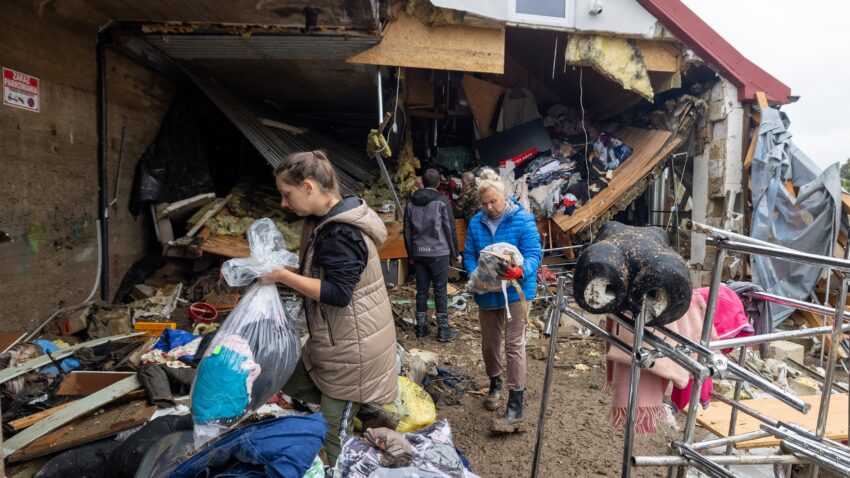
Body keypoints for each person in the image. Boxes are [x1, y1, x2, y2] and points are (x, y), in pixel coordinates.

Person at [260, 150, 398, 466]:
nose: (284, 203)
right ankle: (363, 410)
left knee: (333, 434)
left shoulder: (340, 232)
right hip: (338, 341)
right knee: (287, 378)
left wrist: (282, 276)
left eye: (287, 194)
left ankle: (344, 465)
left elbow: (338, 293)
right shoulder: (326, 220)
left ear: (309, 187)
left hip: (355, 354)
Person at [463, 168, 541, 433]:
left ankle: (516, 403)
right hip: (487, 293)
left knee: (514, 345)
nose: (489, 207)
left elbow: (533, 253)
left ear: (505, 195)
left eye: (493, 201)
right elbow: (469, 254)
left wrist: (522, 271)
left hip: (517, 292)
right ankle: (495, 383)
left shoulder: (523, 220)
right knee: (489, 344)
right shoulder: (476, 222)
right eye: (484, 203)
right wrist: (476, 273)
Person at [403, 168, 461, 342]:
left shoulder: (410, 203)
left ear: (422, 182)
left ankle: (421, 328)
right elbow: (449, 228)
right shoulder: (442, 201)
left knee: (421, 290)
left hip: (419, 254)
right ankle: (443, 330)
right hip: (439, 253)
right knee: (440, 290)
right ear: (438, 184)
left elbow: (406, 231)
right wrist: (455, 253)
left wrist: (411, 254)